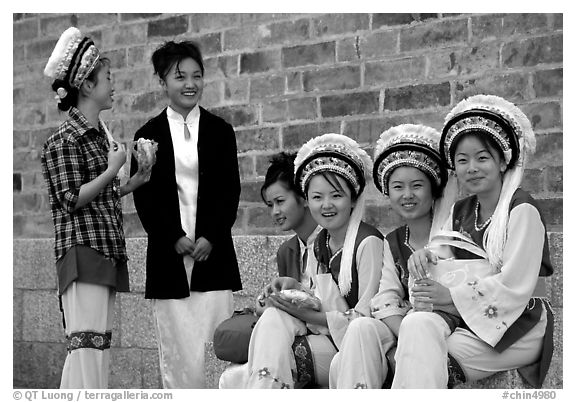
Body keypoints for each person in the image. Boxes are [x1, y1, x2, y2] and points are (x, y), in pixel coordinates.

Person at [392, 94, 554, 388]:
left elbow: (514, 286)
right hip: (470, 319)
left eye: (482, 158)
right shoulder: (461, 210)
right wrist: (422, 259)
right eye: (462, 160)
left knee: (422, 355)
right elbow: (439, 261)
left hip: (520, 324)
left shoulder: (522, 210)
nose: (472, 168)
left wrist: (452, 296)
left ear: (503, 161)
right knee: (416, 325)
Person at [225, 133, 383, 388]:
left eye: (336, 195)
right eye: (318, 197)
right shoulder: (321, 244)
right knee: (272, 320)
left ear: (353, 198)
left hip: (356, 344)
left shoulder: (368, 242)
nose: (326, 205)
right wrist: (293, 290)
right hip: (325, 334)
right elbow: (318, 299)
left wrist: (300, 310)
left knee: (240, 374)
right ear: (308, 199)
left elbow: (367, 319)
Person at [41, 27, 151, 388]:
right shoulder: (63, 140)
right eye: (108, 78)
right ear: (87, 85)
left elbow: (100, 193)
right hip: (82, 252)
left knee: (96, 348)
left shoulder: (100, 135)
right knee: (86, 347)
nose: (113, 84)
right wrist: (112, 169)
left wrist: (133, 180)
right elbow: (71, 199)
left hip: (104, 250)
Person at [130, 40, 242, 388]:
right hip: (170, 257)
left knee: (217, 349)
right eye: (180, 76)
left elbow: (230, 190)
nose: (190, 83)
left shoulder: (221, 131)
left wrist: (212, 235)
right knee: (178, 353)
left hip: (213, 254)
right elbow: (145, 197)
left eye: (197, 75)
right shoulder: (147, 135)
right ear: (162, 82)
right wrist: (173, 238)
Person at [329, 124, 457, 388]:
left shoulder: (453, 235)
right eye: (398, 187)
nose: (407, 195)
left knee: (416, 326)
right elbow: (385, 296)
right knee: (361, 328)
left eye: (417, 186)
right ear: (388, 193)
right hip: (406, 325)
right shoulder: (394, 241)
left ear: (433, 189)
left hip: (444, 326)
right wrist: (403, 332)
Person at [218, 152, 321, 387]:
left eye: (280, 201)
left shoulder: (330, 242)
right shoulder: (287, 250)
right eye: (270, 205)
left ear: (303, 197)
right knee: (230, 379)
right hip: (289, 333)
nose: (274, 211)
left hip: (324, 333)